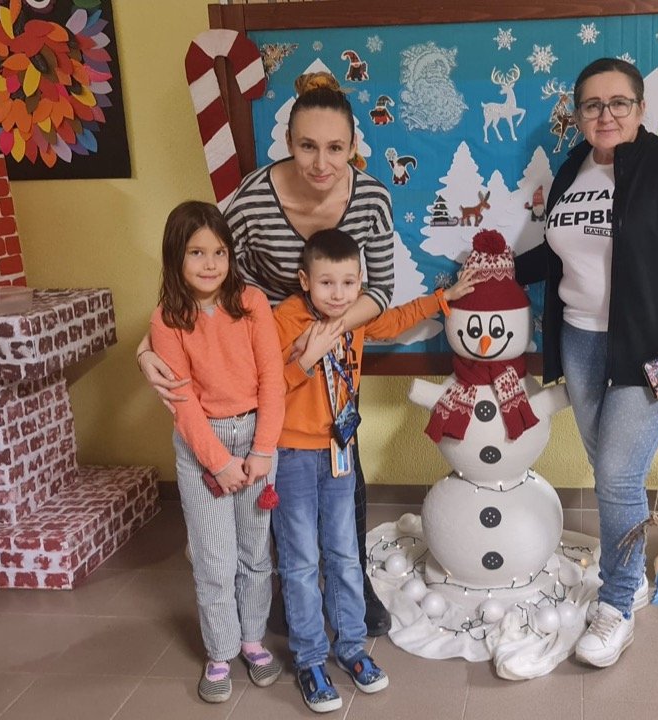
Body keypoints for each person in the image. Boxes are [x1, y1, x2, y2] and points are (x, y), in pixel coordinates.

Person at [137, 72, 395, 635]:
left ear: (353, 145)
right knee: (278, 475)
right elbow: (206, 271)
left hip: (333, 358)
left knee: (343, 467)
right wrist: (147, 343)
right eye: (308, 146)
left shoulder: (373, 198)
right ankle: (285, 584)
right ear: (288, 143)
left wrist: (325, 330)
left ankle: (354, 585)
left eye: (336, 148)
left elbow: (381, 289)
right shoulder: (254, 198)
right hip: (264, 359)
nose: (322, 163)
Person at [514, 58, 658, 668]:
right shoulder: (572, 169)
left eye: (618, 103)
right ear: (578, 113)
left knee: (615, 475)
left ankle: (617, 604)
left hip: (651, 350)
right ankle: (627, 578)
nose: (605, 115)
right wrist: (502, 269)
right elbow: (559, 254)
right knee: (610, 470)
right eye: (592, 105)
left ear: (640, 108)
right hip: (581, 342)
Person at [271, 229, 473, 713]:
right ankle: (310, 659)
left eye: (348, 283)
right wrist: (307, 358)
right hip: (293, 456)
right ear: (305, 281)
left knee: (345, 554)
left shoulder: (354, 316)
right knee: (300, 562)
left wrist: (442, 300)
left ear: (360, 282)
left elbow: (395, 319)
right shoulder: (285, 319)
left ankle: (351, 648)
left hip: (339, 452)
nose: (338, 294)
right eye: (326, 283)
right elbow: (266, 386)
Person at [148, 201, 286, 703]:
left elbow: (272, 378)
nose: (210, 263)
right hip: (202, 448)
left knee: (255, 553)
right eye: (196, 252)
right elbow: (181, 400)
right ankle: (221, 651)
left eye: (219, 252)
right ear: (176, 257)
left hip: (256, 440)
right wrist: (220, 463)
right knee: (214, 559)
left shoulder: (251, 303)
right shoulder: (167, 320)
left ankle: (252, 639)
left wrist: (263, 449)